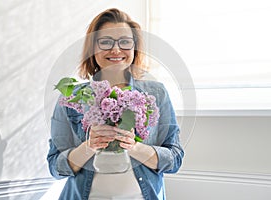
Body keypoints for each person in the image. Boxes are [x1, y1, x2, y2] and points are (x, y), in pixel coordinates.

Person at [47, 8, 184, 200]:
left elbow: (175, 159)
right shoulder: (72, 98)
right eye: (105, 42)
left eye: (125, 42)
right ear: (92, 48)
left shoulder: (156, 93)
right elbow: (55, 166)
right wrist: (89, 146)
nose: (116, 49)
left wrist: (133, 146)